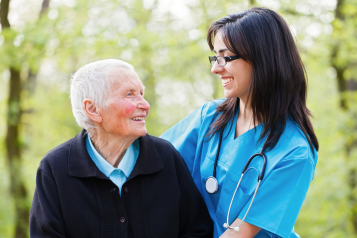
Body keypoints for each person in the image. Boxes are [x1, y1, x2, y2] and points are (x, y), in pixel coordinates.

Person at [161, 7, 319, 238]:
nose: (215, 68)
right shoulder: (209, 117)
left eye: (225, 57)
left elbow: (239, 234)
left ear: (262, 59)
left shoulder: (294, 152)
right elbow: (154, 163)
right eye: (215, 57)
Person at [30, 59, 213, 238]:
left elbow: (199, 230)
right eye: (129, 94)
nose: (145, 104)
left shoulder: (166, 156)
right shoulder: (54, 169)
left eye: (141, 93)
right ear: (93, 109)